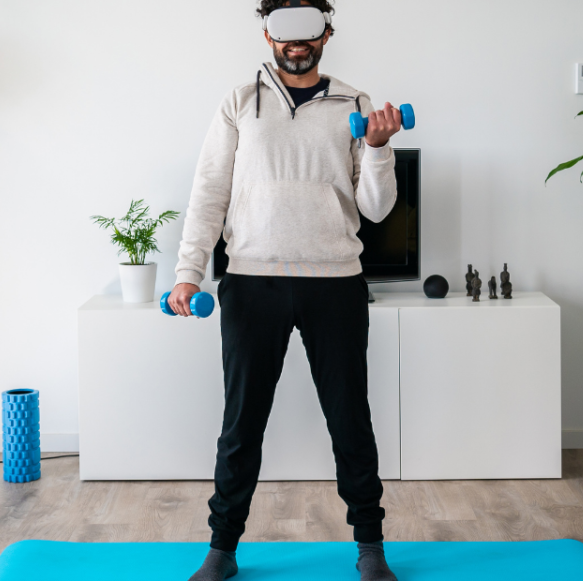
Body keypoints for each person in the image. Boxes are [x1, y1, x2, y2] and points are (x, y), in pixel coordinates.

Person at [166, 1, 402, 579]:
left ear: (325, 33)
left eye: (308, 34)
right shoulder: (239, 102)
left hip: (335, 282)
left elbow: (377, 208)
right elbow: (208, 192)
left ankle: (370, 548)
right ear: (269, 35)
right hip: (251, 281)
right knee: (242, 421)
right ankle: (222, 550)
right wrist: (187, 271)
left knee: (350, 419)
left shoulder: (355, 102)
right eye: (284, 34)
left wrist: (377, 147)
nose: (296, 46)